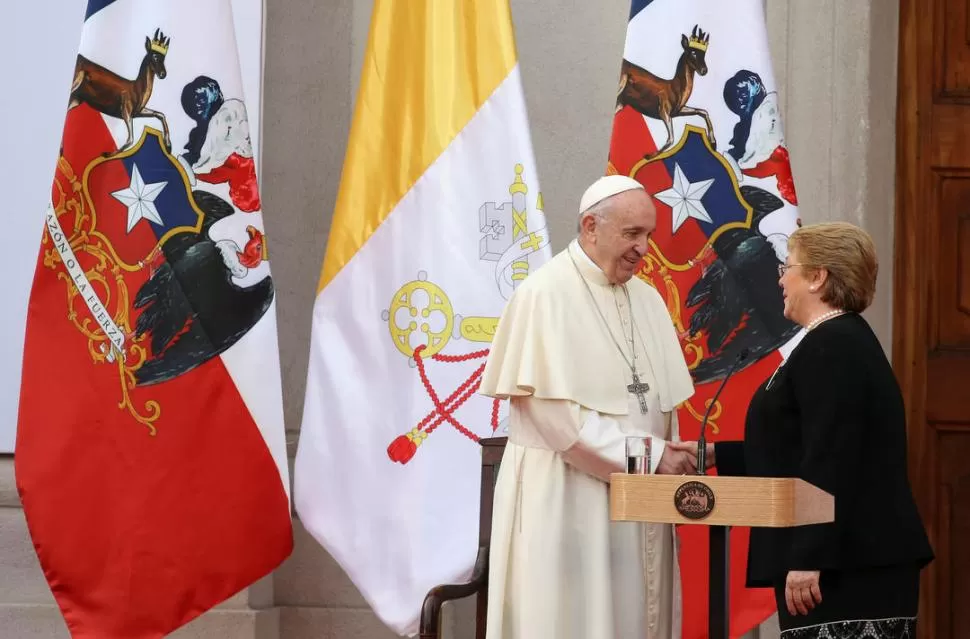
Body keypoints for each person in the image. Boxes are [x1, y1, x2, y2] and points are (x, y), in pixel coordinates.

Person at [478, 175, 697, 639]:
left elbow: (659, 403)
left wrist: (666, 454)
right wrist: (654, 456)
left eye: (649, 236)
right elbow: (563, 427)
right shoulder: (544, 296)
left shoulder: (649, 299)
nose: (643, 249)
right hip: (568, 497)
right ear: (591, 226)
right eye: (632, 234)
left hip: (639, 501)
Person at [702, 222, 934, 637]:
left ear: (818, 277)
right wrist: (719, 454)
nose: (780, 278)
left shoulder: (833, 346)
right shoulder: (832, 342)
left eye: (787, 266)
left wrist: (810, 556)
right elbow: (796, 446)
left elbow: (832, 457)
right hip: (846, 559)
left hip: (847, 567)